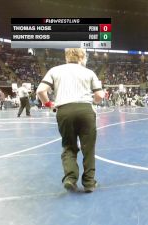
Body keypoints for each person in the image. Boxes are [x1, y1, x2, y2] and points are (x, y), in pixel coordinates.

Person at [36, 48, 104, 193]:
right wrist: (93, 102)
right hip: (86, 110)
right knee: (88, 148)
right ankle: (89, 183)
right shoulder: (89, 72)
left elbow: (41, 90)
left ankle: (70, 179)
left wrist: (49, 105)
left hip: (64, 111)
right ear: (82, 57)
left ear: (66, 57)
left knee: (68, 146)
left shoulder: (55, 70)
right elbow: (99, 95)